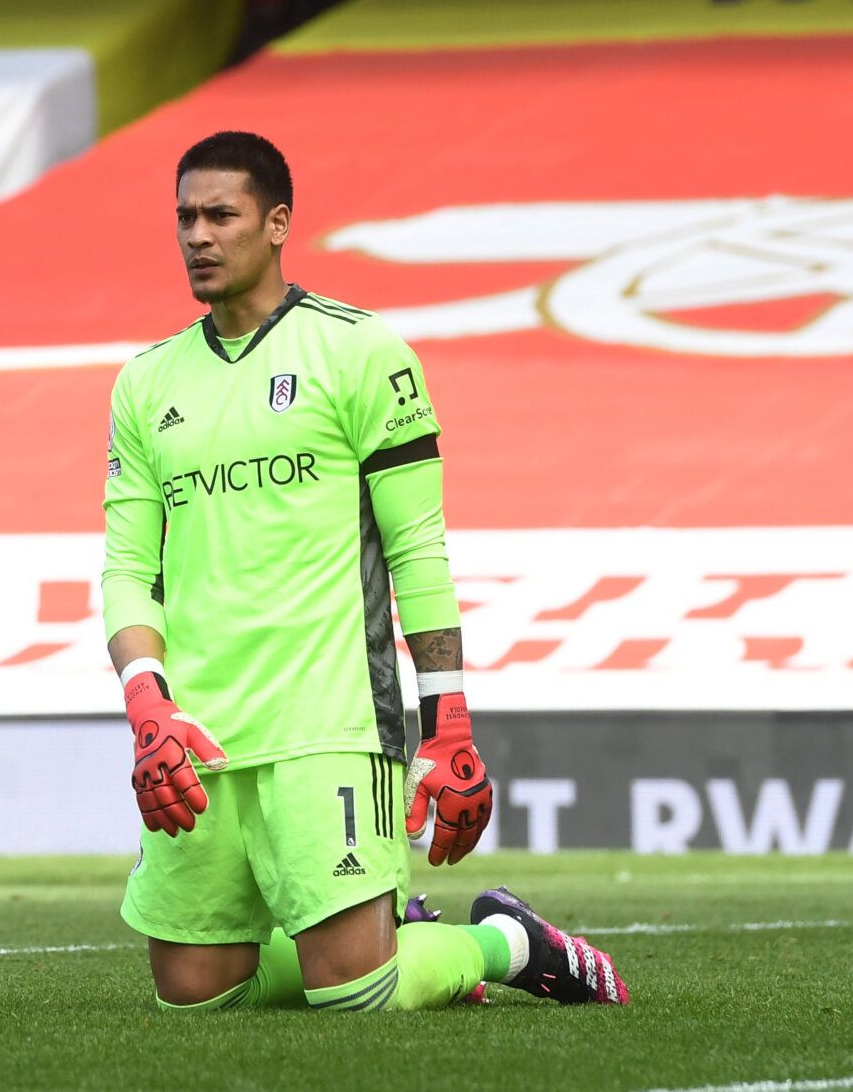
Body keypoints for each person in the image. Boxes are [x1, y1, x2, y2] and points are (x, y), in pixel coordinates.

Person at [101, 131, 629, 1012]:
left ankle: (502, 941)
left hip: (333, 717)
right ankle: (387, 923)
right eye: (185, 216)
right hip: (202, 731)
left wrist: (448, 724)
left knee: (357, 997)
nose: (197, 234)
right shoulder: (146, 382)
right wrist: (148, 703)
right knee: (193, 997)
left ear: (276, 224)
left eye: (219, 215)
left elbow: (418, 548)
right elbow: (127, 567)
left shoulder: (361, 352)